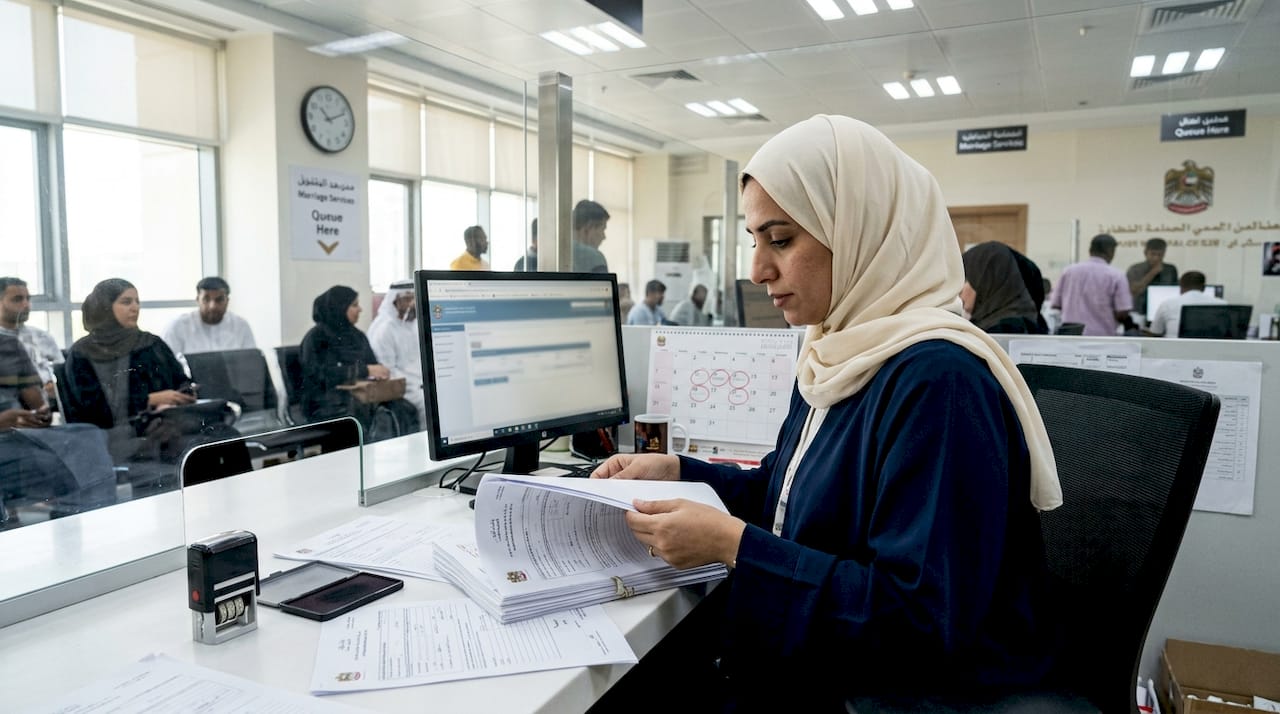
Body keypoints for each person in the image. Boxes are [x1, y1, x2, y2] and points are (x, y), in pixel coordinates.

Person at [587, 115, 1061, 712]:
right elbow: (784, 497)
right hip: (824, 656)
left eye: (780, 239)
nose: (759, 270)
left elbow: (919, 621)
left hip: (895, 690)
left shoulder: (939, 384)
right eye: (754, 241)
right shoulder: (836, 350)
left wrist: (737, 548)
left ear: (862, 231)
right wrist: (679, 470)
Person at [62, 279, 230, 467]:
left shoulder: (151, 343)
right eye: (126, 302)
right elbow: (94, 409)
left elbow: (180, 380)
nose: (135, 308)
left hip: (169, 422)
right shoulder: (83, 353)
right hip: (122, 434)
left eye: (137, 302)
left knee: (226, 435)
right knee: (199, 448)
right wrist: (149, 400)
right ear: (105, 307)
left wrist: (185, 393)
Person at [1, 336, 115, 522]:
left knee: (88, 436)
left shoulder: (8, 345)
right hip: (6, 437)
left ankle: (91, 522)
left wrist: (40, 414)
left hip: (18, 434)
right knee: (55, 462)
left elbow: (36, 401)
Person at [299, 286, 416, 439]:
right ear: (339, 308)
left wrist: (379, 373)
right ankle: (363, 459)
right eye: (354, 305)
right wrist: (365, 371)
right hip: (324, 402)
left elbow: (372, 365)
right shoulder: (316, 338)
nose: (360, 309)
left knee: (405, 408)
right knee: (357, 414)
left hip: (361, 397)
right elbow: (319, 374)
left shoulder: (357, 336)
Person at [1050, 233, 1137, 336]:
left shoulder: (1068, 271)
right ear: (1111, 251)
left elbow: (1056, 304)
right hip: (1101, 338)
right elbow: (1122, 312)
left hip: (1071, 336)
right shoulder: (1116, 275)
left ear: (1090, 250)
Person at [367, 280, 426, 427]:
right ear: (394, 302)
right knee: (429, 405)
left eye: (415, 299)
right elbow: (388, 371)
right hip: (403, 387)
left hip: (422, 382)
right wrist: (418, 383)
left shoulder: (415, 325)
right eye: (407, 299)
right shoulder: (384, 329)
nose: (413, 304)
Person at [160, 277, 257, 358]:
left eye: (219, 300)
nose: (212, 306)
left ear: (227, 301)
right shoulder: (177, 327)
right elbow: (165, 367)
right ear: (198, 300)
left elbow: (250, 364)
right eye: (206, 299)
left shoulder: (241, 326)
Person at [960, 242, 1045, 334]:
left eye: (966, 280)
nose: (960, 290)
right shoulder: (1028, 321)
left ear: (986, 283)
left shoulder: (1005, 330)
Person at [0, 277, 63, 399]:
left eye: (28, 299)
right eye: (17, 299)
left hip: (50, 403)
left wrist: (55, 385)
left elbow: (62, 373)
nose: (26, 305)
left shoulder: (42, 336)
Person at [1145, 271, 1226, 338]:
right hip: (1211, 353)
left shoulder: (1167, 304)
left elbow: (1155, 333)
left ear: (1181, 286)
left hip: (1175, 353)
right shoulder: (1222, 305)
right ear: (1204, 287)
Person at [1126, 238, 1178, 318]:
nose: (1156, 258)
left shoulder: (1170, 269)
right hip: (1139, 313)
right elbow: (1133, 291)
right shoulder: (1135, 269)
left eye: (1160, 255)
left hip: (1163, 312)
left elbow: (1174, 291)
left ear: (1164, 253)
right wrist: (1152, 273)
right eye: (1153, 254)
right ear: (1145, 253)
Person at [571, 200, 610, 273]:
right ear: (589, 227)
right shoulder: (595, 257)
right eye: (602, 229)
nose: (604, 237)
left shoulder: (557, 254)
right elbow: (602, 284)